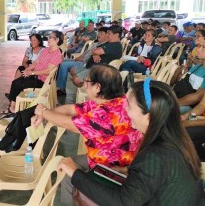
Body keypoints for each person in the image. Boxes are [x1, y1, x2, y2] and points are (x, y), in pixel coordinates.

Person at [58, 80, 204, 205]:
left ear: (147, 118)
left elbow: (123, 202)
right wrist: (128, 171)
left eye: (128, 105)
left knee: (77, 183)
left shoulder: (155, 154)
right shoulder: (174, 139)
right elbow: (158, 178)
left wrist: (75, 172)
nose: (124, 109)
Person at [31, 64, 143, 205]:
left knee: (68, 173)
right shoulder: (115, 101)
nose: (84, 86)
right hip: (106, 158)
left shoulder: (107, 114)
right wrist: (46, 112)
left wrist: (44, 113)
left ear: (97, 87)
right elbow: (73, 109)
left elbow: (69, 124)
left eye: (87, 82)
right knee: (66, 166)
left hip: (112, 169)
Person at [3, 30, 63, 115]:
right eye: (49, 37)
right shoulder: (46, 50)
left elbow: (48, 71)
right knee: (17, 81)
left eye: (50, 37)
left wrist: (32, 73)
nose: (48, 39)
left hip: (42, 82)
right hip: (36, 76)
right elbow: (36, 62)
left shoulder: (56, 54)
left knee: (17, 84)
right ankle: (13, 106)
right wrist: (28, 69)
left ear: (57, 40)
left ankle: (12, 107)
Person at [56, 27, 108, 96]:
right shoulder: (96, 44)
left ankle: (62, 89)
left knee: (63, 65)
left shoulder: (104, 47)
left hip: (84, 63)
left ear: (107, 35)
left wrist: (81, 59)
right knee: (61, 61)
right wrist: (78, 58)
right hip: (82, 59)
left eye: (101, 34)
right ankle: (58, 84)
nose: (99, 35)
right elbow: (86, 53)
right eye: (99, 33)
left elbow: (90, 58)